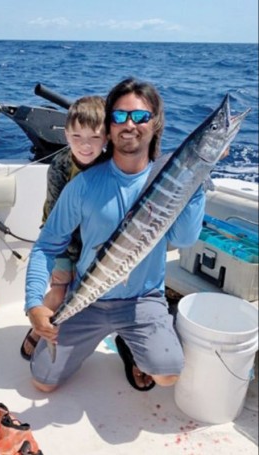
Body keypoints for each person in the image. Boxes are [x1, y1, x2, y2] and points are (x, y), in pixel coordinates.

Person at [24, 77, 206, 393]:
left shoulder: (171, 181)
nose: (129, 124)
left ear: (156, 121)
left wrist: (196, 182)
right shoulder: (83, 185)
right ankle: (107, 337)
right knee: (42, 382)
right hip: (88, 298)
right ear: (109, 126)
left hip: (142, 300)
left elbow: (186, 239)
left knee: (167, 374)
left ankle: (129, 342)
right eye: (120, 116)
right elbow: (46, 245)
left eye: (140, 116)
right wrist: (33, 304)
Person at [21, 95, 108, 360]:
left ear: (107, 139)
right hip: (61, 243)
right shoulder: (59, 166)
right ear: (66, 134)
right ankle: (37, 331)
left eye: (94, 137)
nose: (85, 145)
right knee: (59, 292)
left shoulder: (111, 166)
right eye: (76, 136)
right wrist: (71, 260)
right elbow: (56, 222)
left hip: (93, 243)